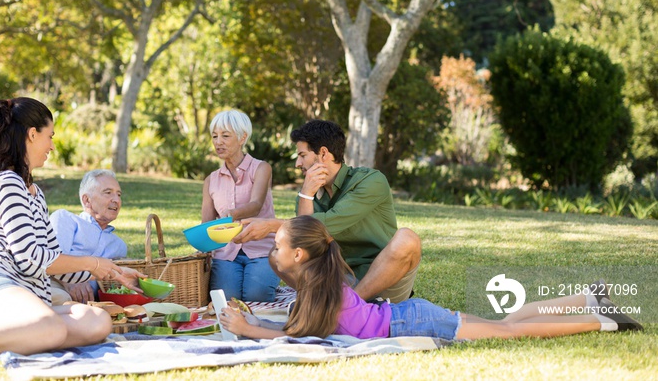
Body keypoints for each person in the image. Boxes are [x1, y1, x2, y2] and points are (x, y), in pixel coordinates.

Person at [220, 216, 643, 340]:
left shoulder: (316, 288)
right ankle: (588, 297)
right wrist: (252, 322)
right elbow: (295, 326)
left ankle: (602, 319)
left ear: (297, 255)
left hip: (414, 321)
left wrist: (249, 329)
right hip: (411, 316)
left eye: (275, 246)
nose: (271, 253)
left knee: (510, 331)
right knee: (503, 323)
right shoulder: (316, 282)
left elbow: (296, 337)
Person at [0, 97, 145, 359]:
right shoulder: (7, 183)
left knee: (97, 321)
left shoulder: (36, 193)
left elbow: (56, 263)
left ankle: (14, 332)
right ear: (32, 135)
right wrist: (93, 263)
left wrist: (112, 272)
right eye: (50, 136)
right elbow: (31, 258)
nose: (53, 145)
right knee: (51, 328)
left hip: (30, 296)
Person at [234, 119, 421, 303]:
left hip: (383, 279)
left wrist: (272, 225)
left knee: (407, 239)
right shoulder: (307, 194)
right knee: (276, 255)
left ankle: (350, 309)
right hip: (339, 278)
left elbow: (328, 224)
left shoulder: (370, 181)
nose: (297, 164)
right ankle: (336, 305)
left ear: (323, 153)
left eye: (302, 155)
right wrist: (306, 194)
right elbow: (305, 242)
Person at [201, 109, 280, 302]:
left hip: (262, 249)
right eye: (215, 136)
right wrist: (202, 248)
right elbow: (206, 223)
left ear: (242, 137)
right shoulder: (211, 180)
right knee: (226, 301)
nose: (218, 142)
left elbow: (256, 205)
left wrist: (231, 214)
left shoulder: (261, 168)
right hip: (226, 252)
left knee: (256, 296)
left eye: (225, 136)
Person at [50, 169, 127, 304]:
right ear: (87, 200)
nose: (116, 200)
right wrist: (70, 281)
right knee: (62, 299)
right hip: (55, 286)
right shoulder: (65, 219)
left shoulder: (119, 246)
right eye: (108, 193)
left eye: (119, 194)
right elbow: (51, 259)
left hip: (91, 302)